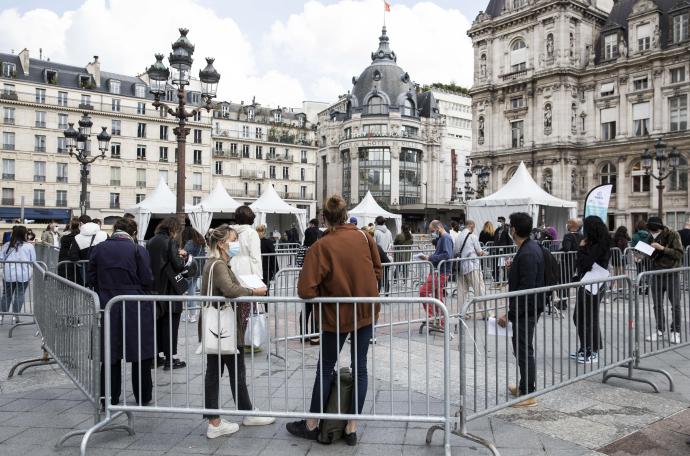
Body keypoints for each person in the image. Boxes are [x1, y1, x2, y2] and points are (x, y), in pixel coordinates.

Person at [286, 194, 381, 445]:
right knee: (361, 368)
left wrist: (328, 290)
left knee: (326, 368)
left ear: (324, 218)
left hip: (335, 316)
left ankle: (312, 423)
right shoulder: (364, 237)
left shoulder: (321, 246)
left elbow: (305, 290)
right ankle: (351, 427)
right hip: (365, 312)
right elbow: (378, 270)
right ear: (346, 213)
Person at [200, 225, 275, 439]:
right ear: (222, 244)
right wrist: (254, 290)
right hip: (224, 328)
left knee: (229, 370)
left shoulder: (218, 263)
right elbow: (230, 290)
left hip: (221, 327)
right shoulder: (218, 265)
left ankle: (239, 413)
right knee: (224, 371)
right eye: (233, 240)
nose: (236, 244)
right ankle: (218, 421)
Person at [88, 217, 154, 406]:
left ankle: (108, 397)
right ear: (133, 233)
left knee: (110, 353)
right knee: (140, 352)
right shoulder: (137, 250)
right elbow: (147, 278)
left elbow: (91, 276)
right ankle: (143, 396)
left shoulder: (99, 248)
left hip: (106, 302)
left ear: (115, 230)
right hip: (135, 304)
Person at [497, 212, 544, 407]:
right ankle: (525, 385)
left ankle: (528, 393)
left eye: (510, 226)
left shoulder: (528, 252)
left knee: (524, 350)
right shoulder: (529, 248)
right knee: (521, 347)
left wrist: (509, 315)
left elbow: (526, 287)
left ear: (513, 229)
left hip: (527, 309)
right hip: (528, 308)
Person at [147, 217, 188, 371]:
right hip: (170, 287)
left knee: (157, 323)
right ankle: (170, 359)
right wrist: (182, 256)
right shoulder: (170, 242)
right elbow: (177, 265)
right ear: (173, 228)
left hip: (154, 287)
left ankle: (155, 357)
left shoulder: (151, 241)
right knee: (171, 324)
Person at [572, 216, 611, 364]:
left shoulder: (600, 244)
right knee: (579, 317)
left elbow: (586, 263)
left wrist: (581, 248)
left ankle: (591, 350)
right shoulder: (594, 242)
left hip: (594, 284)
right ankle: (586, 347)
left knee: (588, 317)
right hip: (587, 282)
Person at [644, 216, 684, 344]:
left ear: (659, 228)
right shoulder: (650, 236)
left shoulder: (673, 234)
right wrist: (641, 255)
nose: (652, 233)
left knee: (675, 305)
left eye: (654, 231)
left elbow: (679, 253)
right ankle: (660, 329)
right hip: (656, 273)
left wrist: (662, 248)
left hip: (671, 273)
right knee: (657, 304)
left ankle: (676, 331)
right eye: (650, 231)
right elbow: (650, 253)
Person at [418, 220, 454, 328]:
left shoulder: (445, 238)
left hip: (440, 272)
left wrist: (430, 257)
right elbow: (443, 254)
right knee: (438, 297)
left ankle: (433, 317)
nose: (432, 233)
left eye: (433, 231)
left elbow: (447, 255)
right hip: (439, 271)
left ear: (438, 227)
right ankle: (441, 321)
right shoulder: (442, 238)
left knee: (423, 292)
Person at [0, 225, 36, 324]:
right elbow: (33, 260)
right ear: (23, 234)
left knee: (6, 294)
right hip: (24, 274)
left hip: (8, 274)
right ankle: (16, 317)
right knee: (19, 294)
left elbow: (1, 258)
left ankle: (1, 315)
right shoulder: (29, 246)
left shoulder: (7, 245)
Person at [454, 220, 488, 319]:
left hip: (461, 267)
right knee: (479, 289)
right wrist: (484, 253)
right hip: (472, 267)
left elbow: (455, 252)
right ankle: (485, 313)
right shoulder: (473, 237)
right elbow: (479, 252)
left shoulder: (458, 237)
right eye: (474, 227)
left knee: (462, 292)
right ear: (471, 226)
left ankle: (463, 313)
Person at [69, 219, 108, 285]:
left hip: (86, 267)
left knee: (88, 286)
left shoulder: (77, 238)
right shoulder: (104, 235)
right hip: (102, 266)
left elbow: (73, 255)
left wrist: (79, 263)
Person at [181, 226, 206, 323]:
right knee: (192, 290)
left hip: (190, 269)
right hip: (197, 269)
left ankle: (191, 314)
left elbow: (184, 254)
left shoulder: (190, 243)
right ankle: (192, 314)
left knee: (190, 291)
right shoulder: (200, 243)